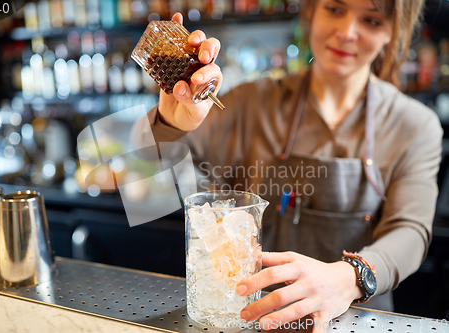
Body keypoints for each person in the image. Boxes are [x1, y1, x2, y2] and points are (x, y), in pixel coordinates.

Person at [131, 0, 443, 330]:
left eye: (371, 20)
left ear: (392, 32)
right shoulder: (251, 103)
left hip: (355, 320)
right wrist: (172, 119)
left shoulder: (414, 125)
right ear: (311, 12)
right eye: (335, 10)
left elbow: (411, 232)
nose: (347, 32)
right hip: (250, 316)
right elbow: (145, 156)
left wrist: (349, 277)